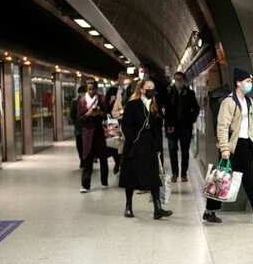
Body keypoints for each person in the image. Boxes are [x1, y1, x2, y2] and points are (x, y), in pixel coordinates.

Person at [203, 68, 253, 225]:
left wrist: (252, 142)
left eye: (250, 81)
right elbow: (222, 127)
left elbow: (250, 124)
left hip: (246, 144)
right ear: (238, 82)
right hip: (232, 146)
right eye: (247, 81)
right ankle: (209, 211)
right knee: (221, 178)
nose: (250, 84)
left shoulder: (250, 102)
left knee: (250, 179)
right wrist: (224, 148)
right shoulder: (228, 102)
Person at [119, 79, 172, 219]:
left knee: (154, 176)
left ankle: (158, 208)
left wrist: (158, 147)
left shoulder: (155, 105)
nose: (151, 90)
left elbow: (157, 129)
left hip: (150, 145)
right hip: (135, 145)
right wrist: (133, 139)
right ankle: (128, 206)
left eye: (153, 88)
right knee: (131, 176)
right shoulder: (132, 104)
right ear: (141, 89)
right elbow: (125, 125)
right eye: (149, 88)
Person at [165, 71, 200, 183]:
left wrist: (192, 119)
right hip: (172, 127)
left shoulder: (190, 93)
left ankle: (183, 173)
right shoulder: (169, 92)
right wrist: (167, 124)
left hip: (185, 127)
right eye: (176, 79)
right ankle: (175, 173)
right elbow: (165, 109)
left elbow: (196, 108)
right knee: (172, 150)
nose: (178, 81)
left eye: (180, 79)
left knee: (185, 151)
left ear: (184, 80)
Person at [78, 80, 109, 193]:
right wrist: (88, 114)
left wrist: (99, 113)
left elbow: (106, 115)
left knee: (103, 159)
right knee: (87, 159)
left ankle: (104, 181)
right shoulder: (82, 101)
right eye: (89, 89)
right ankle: (85, 185)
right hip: (87, 134)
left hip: (99, 133)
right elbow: (80, 119)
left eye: (93, 89)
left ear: (96, 89)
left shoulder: (101, 99)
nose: (91, 91)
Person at [71, 85, 86, 168]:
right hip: (79, 128)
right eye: (81, 93)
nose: (82, 95)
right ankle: (82, 160)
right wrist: (76, 123)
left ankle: (85, 160)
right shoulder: (75, 102)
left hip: (87, 128)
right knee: (80, 145)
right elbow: (72, 114)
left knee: (85, 145)